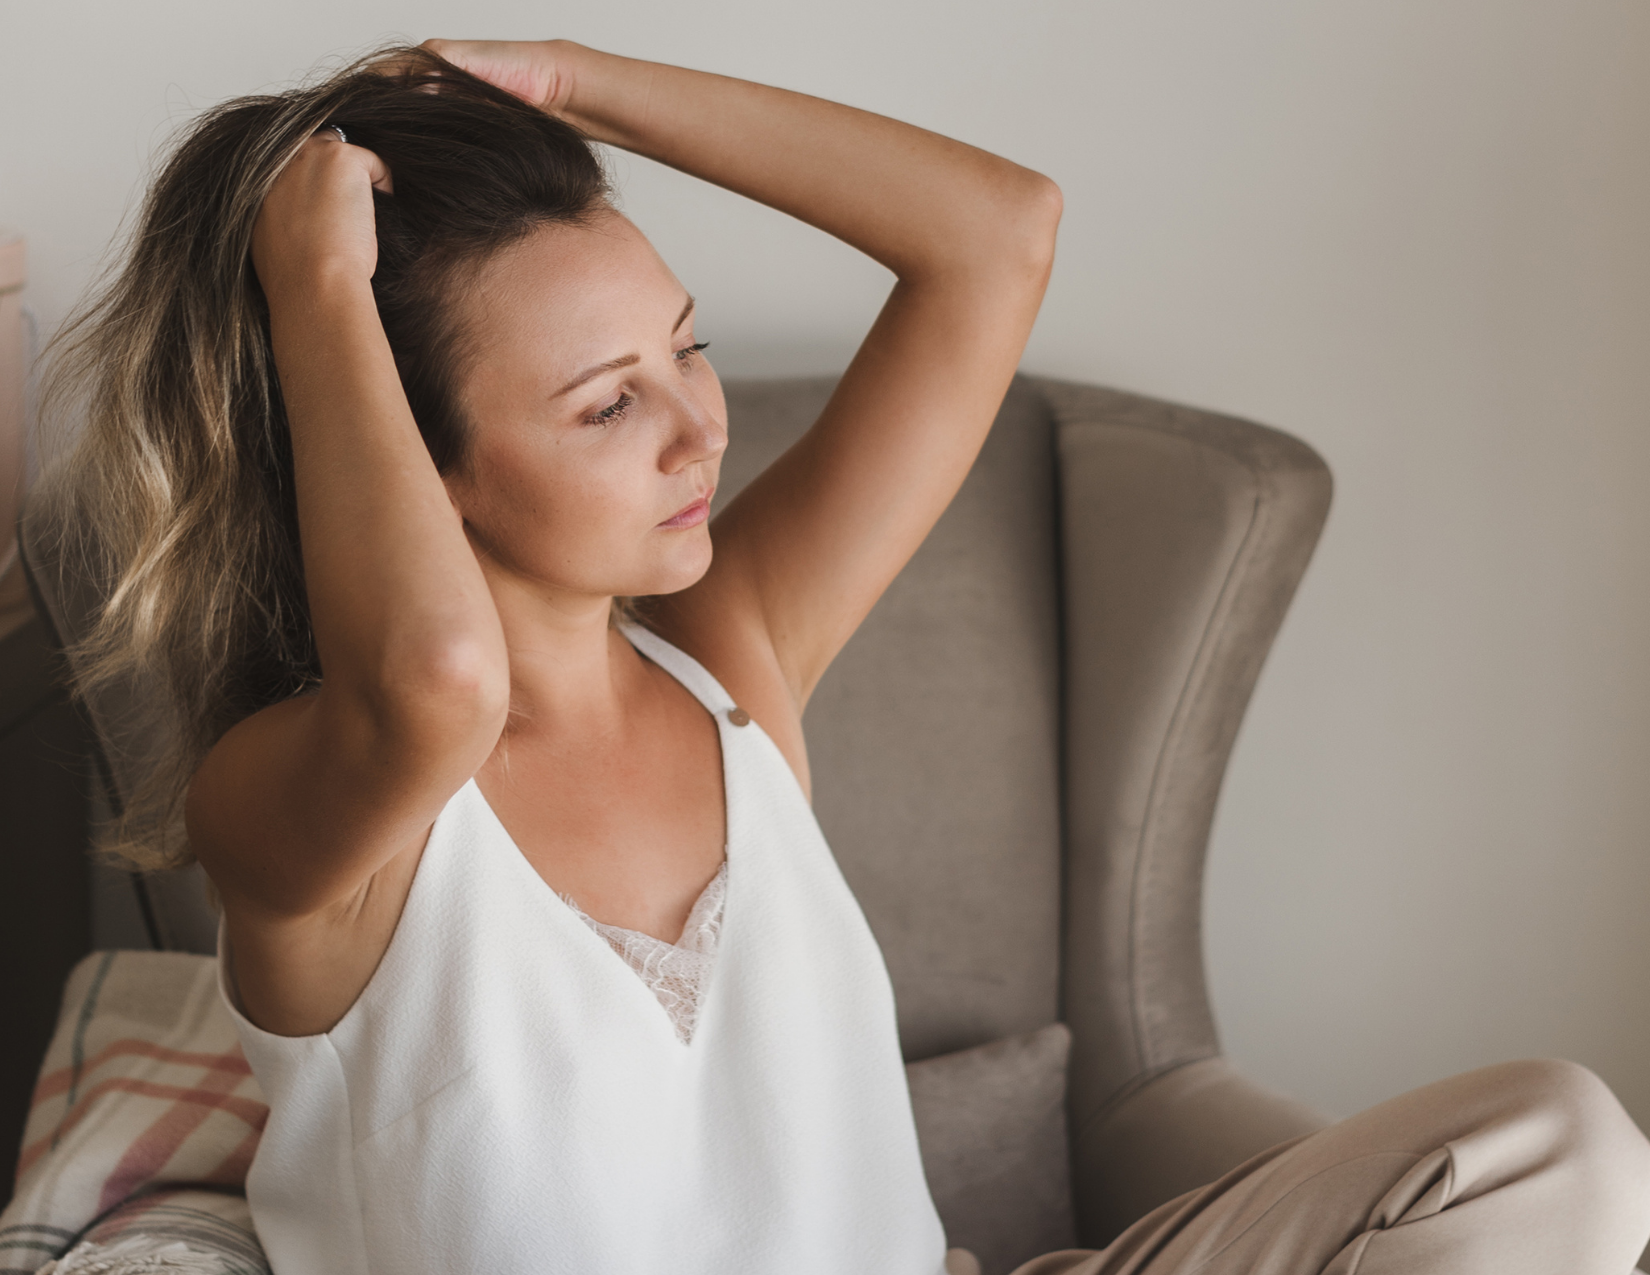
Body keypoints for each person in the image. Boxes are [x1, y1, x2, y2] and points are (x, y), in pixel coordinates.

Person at [37, 37, 1650, 1275]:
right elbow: (434, 686)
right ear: (404, 451)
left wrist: (564, 84)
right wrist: (312, 282)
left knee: (1557, 1144)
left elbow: (996, 235)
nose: (697, 430)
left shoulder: (724, 657)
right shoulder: (295, 816)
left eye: (690, 349)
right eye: (607, 403)